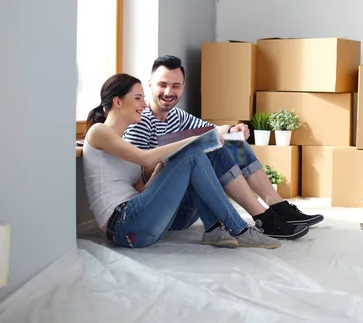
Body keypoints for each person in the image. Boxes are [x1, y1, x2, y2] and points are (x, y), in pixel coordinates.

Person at [123, 55, 324, 240]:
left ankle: (277, 205)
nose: (169, 92)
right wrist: (178, 154)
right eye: (162, 85)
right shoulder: (140, 121)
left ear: (183, 86)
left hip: (186, 204)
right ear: (150, 84)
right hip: (163, 212)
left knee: (232, 141)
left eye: (175, 86)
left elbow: (212, 130)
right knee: (208, 148)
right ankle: (263, 218)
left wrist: (232, 129)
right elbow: (138, 183)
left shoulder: (178, 116)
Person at [82, 73, 283, 249]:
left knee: (232, 145)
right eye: (138, 98)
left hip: (144, 222)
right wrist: (195, 142)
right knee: (194, 153)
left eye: (176, 85)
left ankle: (270, 207)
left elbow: (142, 190)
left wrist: (164, 167)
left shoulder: (170, 120)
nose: (144, 104)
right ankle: (240, 228)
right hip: (124, 226)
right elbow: (145, 157)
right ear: (117, 101)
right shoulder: (99, 131)